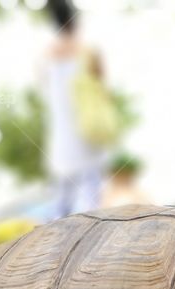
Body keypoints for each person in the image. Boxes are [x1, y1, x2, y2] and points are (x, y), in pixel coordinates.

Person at [42, 0, 109, 218]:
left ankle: (57, 234)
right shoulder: (89, 50)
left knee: (62, 201)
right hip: (89, 129)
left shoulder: (47, 55)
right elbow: (102, 87)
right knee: (93, 196)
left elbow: (45, 88)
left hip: (63, 132)